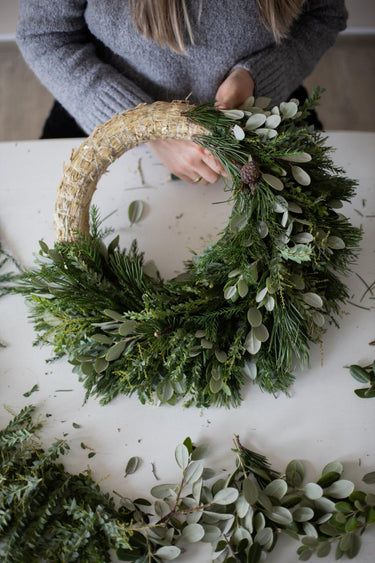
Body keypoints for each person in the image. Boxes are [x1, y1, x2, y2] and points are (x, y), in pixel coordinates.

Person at [17, 0, 346, 184]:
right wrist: (149, 129)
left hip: (264, 112)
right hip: (105, 112)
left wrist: (258, 79)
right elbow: (45, 34)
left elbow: (323, 15)